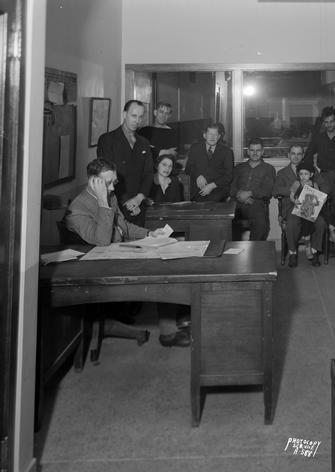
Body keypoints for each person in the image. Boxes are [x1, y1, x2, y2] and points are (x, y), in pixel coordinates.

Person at [64, 158, 190, 347]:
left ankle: (176, 315)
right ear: (93, 181)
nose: (113, 189)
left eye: (114, 182)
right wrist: (103, 203)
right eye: (108, 183)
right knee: (162, 272)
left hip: (120, 250)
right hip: (98, 264)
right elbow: (102, 241)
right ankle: (169, 332)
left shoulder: (110, 195)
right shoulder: (78, 209)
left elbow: (125, 226)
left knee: (169, 254)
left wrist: (149, 233)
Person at [303, 106, 335, 253]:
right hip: (322, 178)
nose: (329, 124)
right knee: (317, 212)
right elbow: (307, 158)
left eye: (331, 121)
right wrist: (308, 177)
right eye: (326, 122)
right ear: (323, 123)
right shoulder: (317, 140)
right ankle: (319, 248)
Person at [97, 99, 154, 226]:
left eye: (140, 117)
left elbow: (149, 173)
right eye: (133, 116)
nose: (137, 121)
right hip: (116, 203)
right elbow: (107, 175)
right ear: (124, 114)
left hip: (139, 205)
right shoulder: (107, 140)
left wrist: (139, 198)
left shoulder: (144, 142)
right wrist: (128, 202)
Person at [281, 159, 328, 268]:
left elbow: (318, 195)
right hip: (298, 208)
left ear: (311, 174)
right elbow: (292, 195)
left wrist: (322, 199)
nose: (303, 176)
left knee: (320, 222)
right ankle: (293, 252)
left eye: (306, 174)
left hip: (310, 209)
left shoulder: (314, 184)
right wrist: (294, 200)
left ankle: (314, 250)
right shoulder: (297, 183)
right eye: (301, 174)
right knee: (291, 222)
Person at [230, 138, 275, 241]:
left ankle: (253, 251)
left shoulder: (268, 169)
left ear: (262, 151)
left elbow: (267, 191)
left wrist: (250, 193)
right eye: (252, 150)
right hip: (236, 202)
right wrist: (240, 195)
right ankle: (233, 252)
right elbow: (231, 187)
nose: (255, 153)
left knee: (261, 225)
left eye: (258, 150)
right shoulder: (239, 167)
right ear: (248, 151)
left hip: (256, 203)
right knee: (227, 223)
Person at [185, 122, 233, 202]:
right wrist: (198, 176)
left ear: (219, 136)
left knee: (212, 202)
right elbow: (188, 168)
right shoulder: (195, 148)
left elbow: (228, 176)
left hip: (218, 191)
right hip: (198, 191)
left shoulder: (227, 152)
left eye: (215, 134)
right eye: (210, 134)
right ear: (204, 135)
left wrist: (212, 185)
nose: (212, 137)